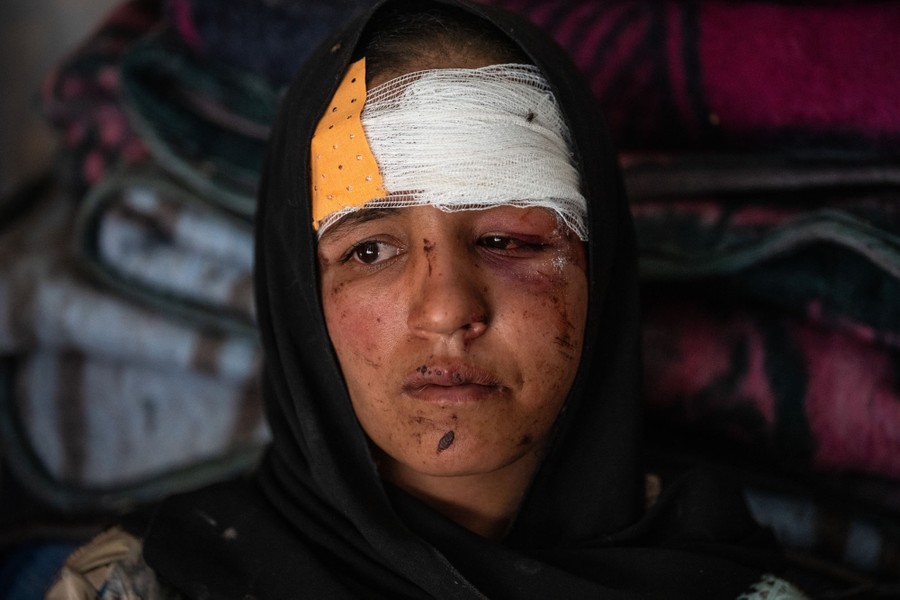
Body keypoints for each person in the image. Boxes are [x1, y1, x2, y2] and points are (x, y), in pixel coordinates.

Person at [48, 0, 808, 598]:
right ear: (298, 296)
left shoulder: (729, 585)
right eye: (369, 250)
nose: (446, 309)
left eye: (509, 240)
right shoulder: (148, 584)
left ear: (598, 269)